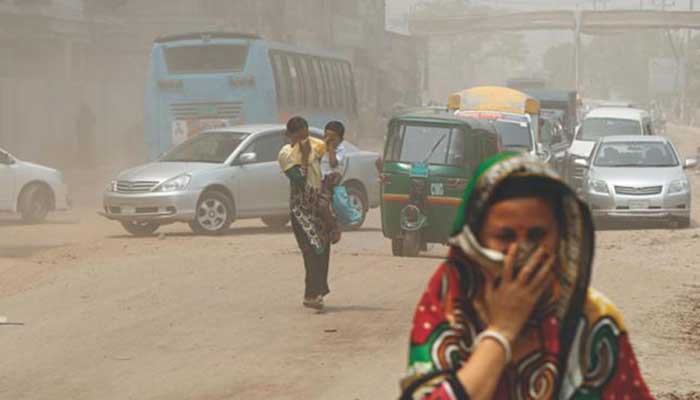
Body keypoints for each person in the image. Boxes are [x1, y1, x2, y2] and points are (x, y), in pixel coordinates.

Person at [400, 152, 653, 400]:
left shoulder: (593, 321)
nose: (521, 252)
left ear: (560, 237)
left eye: (536, 236)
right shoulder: (448, 307)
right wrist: (502, 332)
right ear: (475, 241)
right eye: (505, 237)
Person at [278, 116, 331, 311]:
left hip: (317, 208)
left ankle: (318, 291)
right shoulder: (286, 154)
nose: (304, 141)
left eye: (306, 136)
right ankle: (312, 294)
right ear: (289, 136)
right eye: (299, 137)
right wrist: (307, 159)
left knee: (323, 249)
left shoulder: (314, 150)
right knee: (310, 250)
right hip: (301, 210)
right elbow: (299, 179)